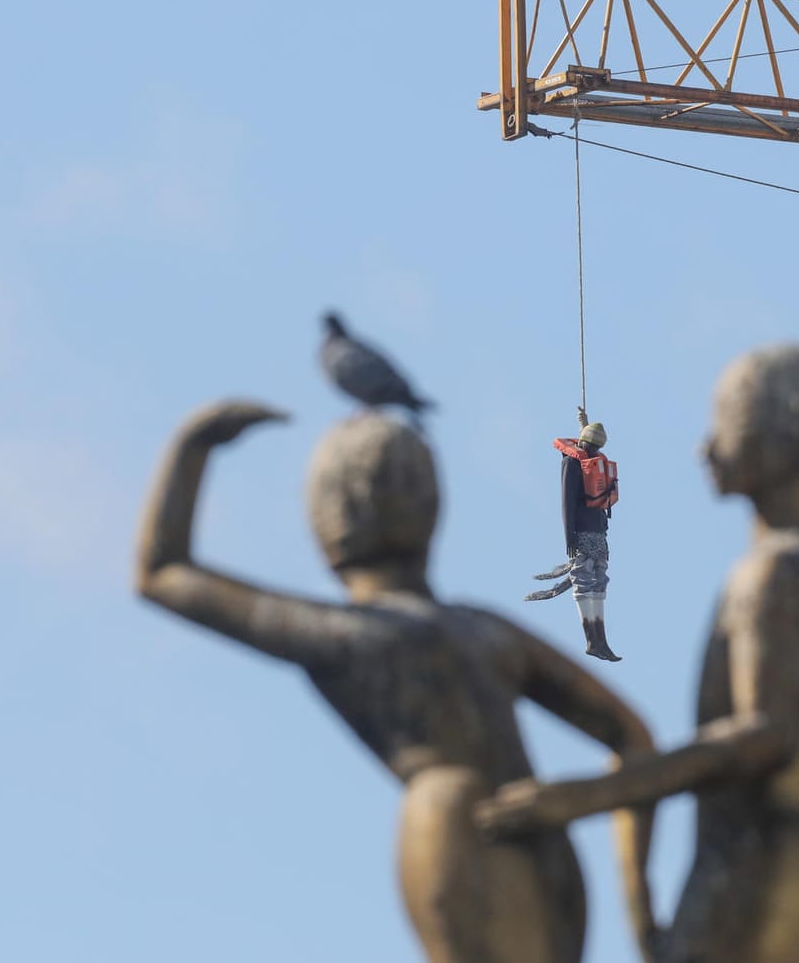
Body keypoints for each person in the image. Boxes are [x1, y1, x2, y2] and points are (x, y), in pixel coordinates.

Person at [480, 345, 799, 963]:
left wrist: (588, 798)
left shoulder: (777, 575)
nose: (705, 447)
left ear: (787, 427)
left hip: (759, 891)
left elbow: (763, 735)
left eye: (726, 421)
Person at [134, 401, 656, 963]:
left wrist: (193, 445)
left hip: (482, 844)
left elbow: (163, 572)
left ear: (330, 518)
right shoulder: (478, 632)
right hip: (544, 858)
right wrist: (626, 879)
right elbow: (632, 739)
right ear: (432, 508)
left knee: (440, 794)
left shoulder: (354, 635)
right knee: (442, 795)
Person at [529, 410, 622, 662]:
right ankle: (595, 640)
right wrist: (569, 536)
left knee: (590, 583)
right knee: (593, 583)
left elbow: (567, 502)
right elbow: (570, 502)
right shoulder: (590, 460)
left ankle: (597, 640)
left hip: (587, 531)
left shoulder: (573, 461)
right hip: (596, 532)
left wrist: (569, 535)